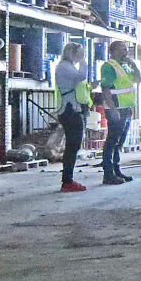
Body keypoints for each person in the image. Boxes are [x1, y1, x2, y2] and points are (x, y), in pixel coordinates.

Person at [98, 40, 141, 186]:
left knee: (119, 142)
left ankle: (116, 170)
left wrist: (134, 65)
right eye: (123, 49)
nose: (126, 52)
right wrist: (113, 109)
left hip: (126, 108)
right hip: (116, 109)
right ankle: (108, 173)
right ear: (114, 50)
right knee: (112, 141)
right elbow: (105, 90)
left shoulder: (126, 67)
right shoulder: (109, 67)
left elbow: (138, 80)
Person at [52, 41, 93, 193]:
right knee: (72, 146)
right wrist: (83, 62)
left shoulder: (67, 67)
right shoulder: (64, 67)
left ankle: (68, 179)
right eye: (80, 53)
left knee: (73, 146)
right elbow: (81, 76)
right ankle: (67, 180)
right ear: (72, 53)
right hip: (70, 111)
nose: (81, 56)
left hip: (73, 109)